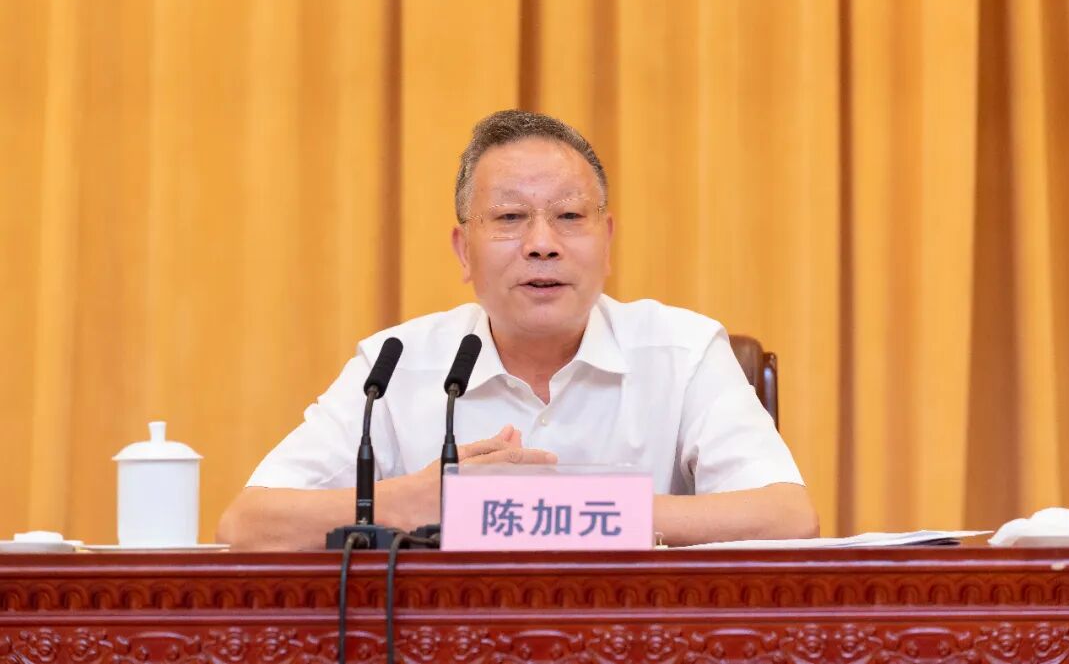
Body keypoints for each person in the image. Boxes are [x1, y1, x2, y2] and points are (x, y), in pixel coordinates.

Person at [217, 110, 818, 550]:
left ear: (606, 241)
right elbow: (246, 524)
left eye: (570, 216)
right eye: (509, 217)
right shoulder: (395, 364)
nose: (541, 244)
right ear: (463, 250)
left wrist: (570, 512)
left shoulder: (683, 351)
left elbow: (788, 515)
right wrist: (410, 503)